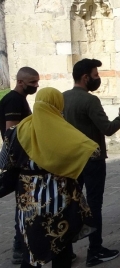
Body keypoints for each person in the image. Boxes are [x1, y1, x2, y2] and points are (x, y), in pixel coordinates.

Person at [3, 87, 99, 268]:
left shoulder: (16, 131)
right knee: (61, 247)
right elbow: (94, 152)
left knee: (30, 249)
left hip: (28, 199)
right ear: (58, 105)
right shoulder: (65, 132)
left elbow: (5, 163)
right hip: (60, 199)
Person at [62, 59, 120, 266]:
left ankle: (66, 251)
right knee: (94, 205)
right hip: (91, 161)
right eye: (96, 75)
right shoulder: (90, 101)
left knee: (71, 204)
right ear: (85, 78)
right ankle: (95, 250)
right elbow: (107, 128)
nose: (97, 78)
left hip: (70, 161)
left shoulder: (62, 98)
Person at [0, 66, 40, 265]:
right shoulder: (14, 100)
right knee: (24, 205)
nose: (36, 86)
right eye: (32, 82)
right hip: (20, 163)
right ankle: (19, 247)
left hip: (22, 160)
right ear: (20, 82)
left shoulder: (18, 98)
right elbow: (12, 132)